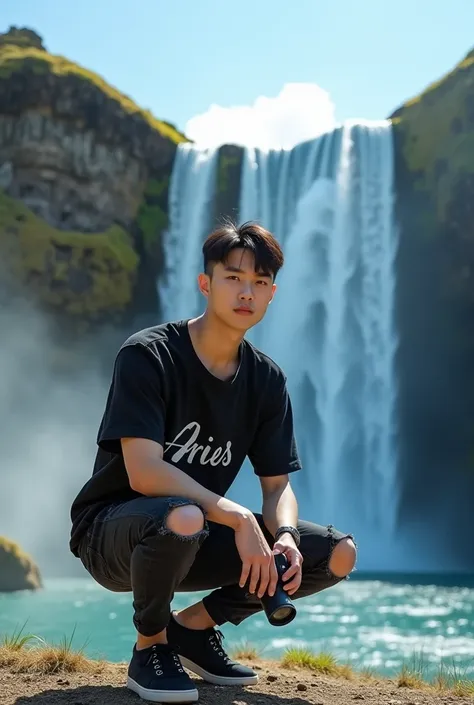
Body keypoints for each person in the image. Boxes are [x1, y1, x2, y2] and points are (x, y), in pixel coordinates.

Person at [69, 221, 356, 704]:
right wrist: (238, 516)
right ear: (206, 283)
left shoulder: (267, 380)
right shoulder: (148, 355)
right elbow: (144, 472)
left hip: (195, 531)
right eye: (234, 278)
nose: (247, 292)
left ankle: (192, 630)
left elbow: (276, 487)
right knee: (184, 514)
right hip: (113, 534)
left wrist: (283, 535)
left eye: (260, 283)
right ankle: (150, 649)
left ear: (272, 295)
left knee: (337, 553)